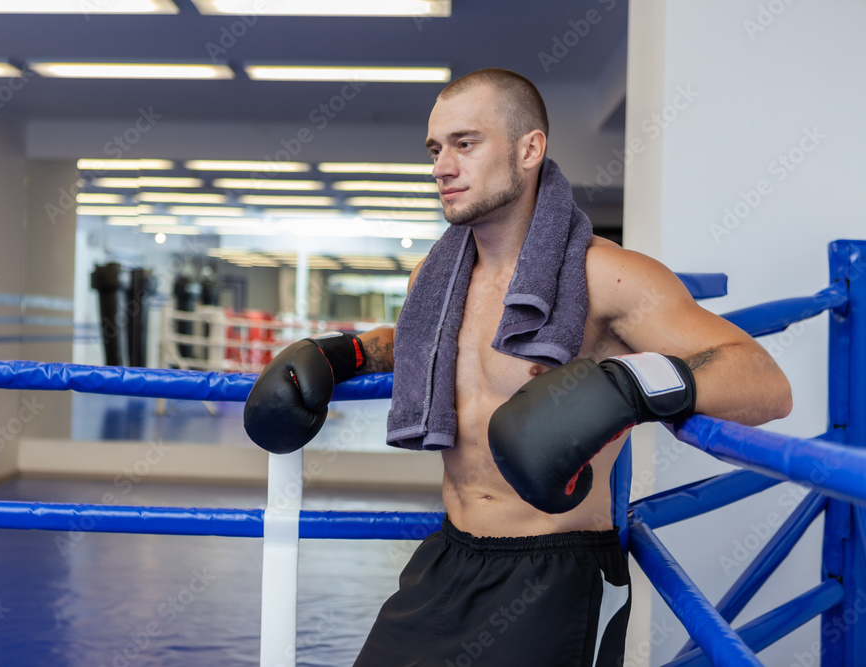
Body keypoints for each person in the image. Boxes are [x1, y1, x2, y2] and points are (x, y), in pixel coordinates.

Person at [243, 68, 793, 666]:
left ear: (529, 149)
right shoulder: (436, 278)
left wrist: (626, 386)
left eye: (465, 143)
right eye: (435, 148)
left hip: (558, 572)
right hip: (450, 558)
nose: (442, 167)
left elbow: (763, 380)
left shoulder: (607, 276)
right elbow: (421, 344)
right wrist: (344, 354)